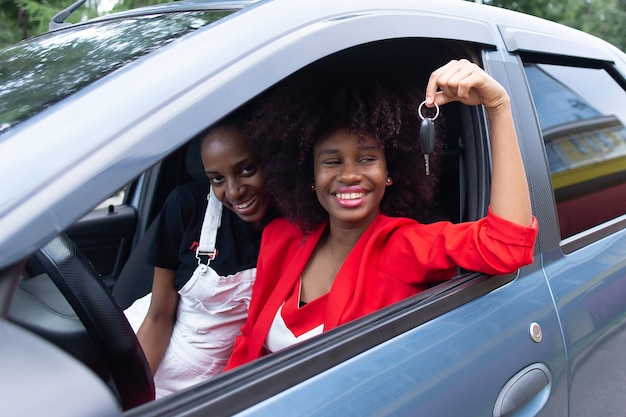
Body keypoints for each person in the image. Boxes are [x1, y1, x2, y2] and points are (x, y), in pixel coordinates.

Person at [224, 59, 538, 369]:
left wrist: (498, 107)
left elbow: (505, 245)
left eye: (366, 159)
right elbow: (249, 341)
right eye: (332, 162)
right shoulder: (280, 237)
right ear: (310, 175)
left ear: (390, 172)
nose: (349, 175)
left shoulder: (403, 246)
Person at [124, 114, 273, 398]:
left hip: (206, 388)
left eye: (246, 169)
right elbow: (158, 318)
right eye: (217, 179)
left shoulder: (295, 225)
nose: (234, 191)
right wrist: (134, 399)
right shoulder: (187, 206)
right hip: (146, 357)